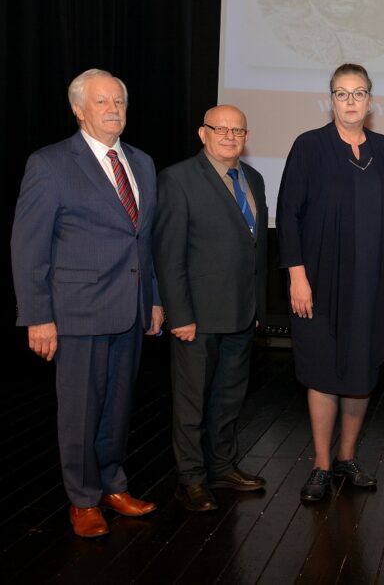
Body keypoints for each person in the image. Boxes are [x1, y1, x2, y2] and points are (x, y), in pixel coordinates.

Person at [11, 69, 163, 538]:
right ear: (79, 110)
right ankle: (82, 500)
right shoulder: (51, 163)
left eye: (119, 100)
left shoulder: (142, 162)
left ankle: (113, 485)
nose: (114, 109)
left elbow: (144, 242)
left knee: (117, 407)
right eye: (102, 101)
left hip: (130, 309)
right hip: (77, 313)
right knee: (80, 412)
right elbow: (28, 246)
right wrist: (38, 316)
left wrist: (154, 300)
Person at [276, 64, 384, 502]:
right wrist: (297, 276)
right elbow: (289, 213)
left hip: (371, 282)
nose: (350, 101)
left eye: (358, 93)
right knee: (321, 368)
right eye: (341, 93)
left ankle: (347, 457)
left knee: (360, 369)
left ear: (370, 100)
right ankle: (320, 464)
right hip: (317, 280)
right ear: (330, 99)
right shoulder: (309, 146)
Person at [154, 105, 269, 512]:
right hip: (197, 317)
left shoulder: (253, 178)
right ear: (203, 134)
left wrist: (258, 306)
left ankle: (222, 467)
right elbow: (169, 254)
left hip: (241, 313)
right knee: (191, 404)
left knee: (229, 399)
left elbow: (256, 250)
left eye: (238, 130)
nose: (230, 136)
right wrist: (180, 315)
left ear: (246, 136)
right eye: (221, 129)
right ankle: (190, 478)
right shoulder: (178, 179)